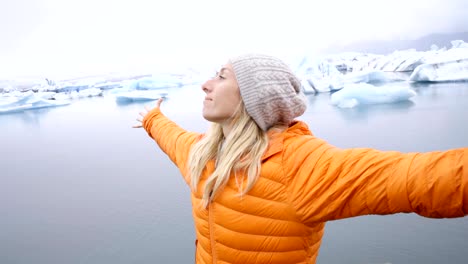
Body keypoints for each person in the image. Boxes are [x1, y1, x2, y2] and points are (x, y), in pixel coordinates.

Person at [133, 54, 467, 264]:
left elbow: (416, 178)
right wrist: (153, 119)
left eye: (221, 76)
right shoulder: (204, 153)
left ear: (254, 98)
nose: (206, 84)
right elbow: (173, 138)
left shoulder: (300, 164)